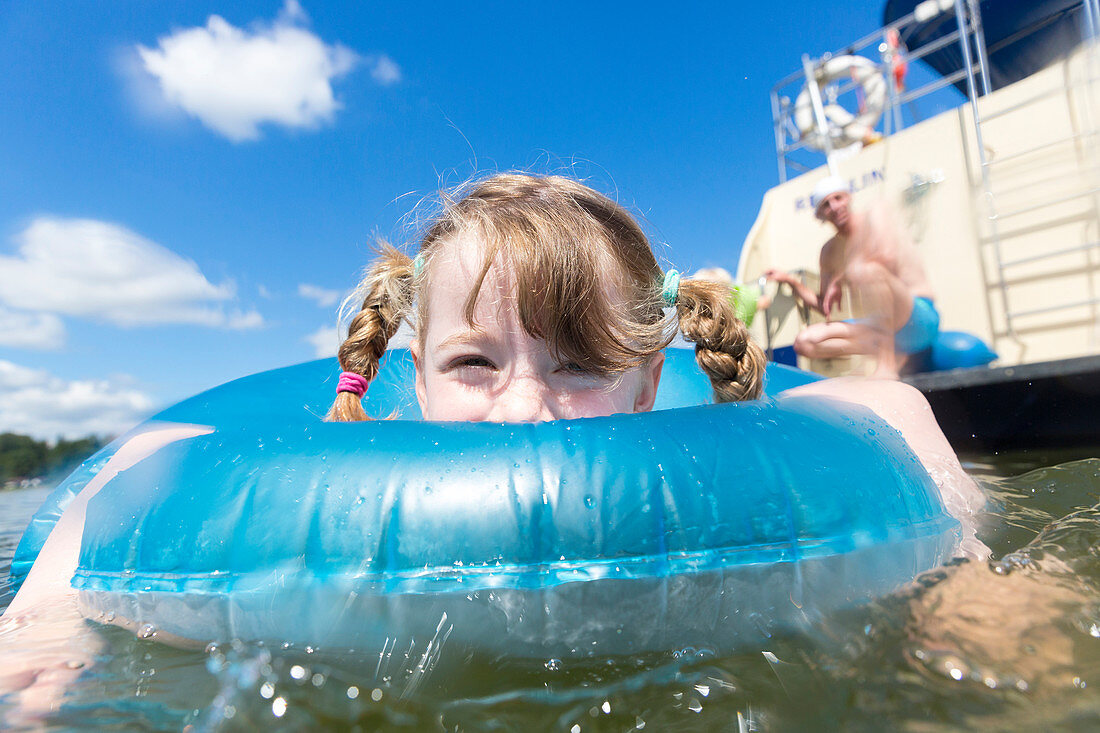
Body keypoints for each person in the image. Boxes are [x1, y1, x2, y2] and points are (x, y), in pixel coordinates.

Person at [328, 172, 985, 556]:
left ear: (646, 386)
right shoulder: (352, 501)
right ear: (418, 378)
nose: (523, 406)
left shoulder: (695, 505)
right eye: (473, 360)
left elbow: (897, 404)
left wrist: (960, 553)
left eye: (579, 362)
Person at [765, 176, 938, 378]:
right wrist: (790, 281)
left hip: (918, 317)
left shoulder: (875, 214)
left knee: (865, 270)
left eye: (838, 198)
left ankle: (887, 364)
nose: (835, 206)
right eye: (826, 205)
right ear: (820, 215)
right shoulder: (828, 251)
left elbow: (885, 256)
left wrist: (841, 278)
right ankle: (895, 353)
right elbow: (825, 305)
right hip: (880, 327)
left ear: (849, 197)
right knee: (806, 341)